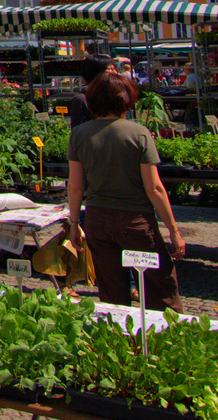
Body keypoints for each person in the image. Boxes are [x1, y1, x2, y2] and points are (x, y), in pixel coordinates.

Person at [67, 72, 186, 310]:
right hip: (135, 220)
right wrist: (173, 229)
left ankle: (118, 339)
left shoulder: (79, 134)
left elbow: (76, 185)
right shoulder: (138, 133)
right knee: (159, 287)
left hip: (97, 219)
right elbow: (154, 189)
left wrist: (73, 224)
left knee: (111, 290)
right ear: (126, 100)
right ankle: (165, 339)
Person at [65, 56, 115, 129]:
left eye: (114, 69)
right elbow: (78, 132)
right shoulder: (81, 99)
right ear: (96, 72)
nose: (115, 72)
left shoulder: (112, 95)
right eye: (110, 69)